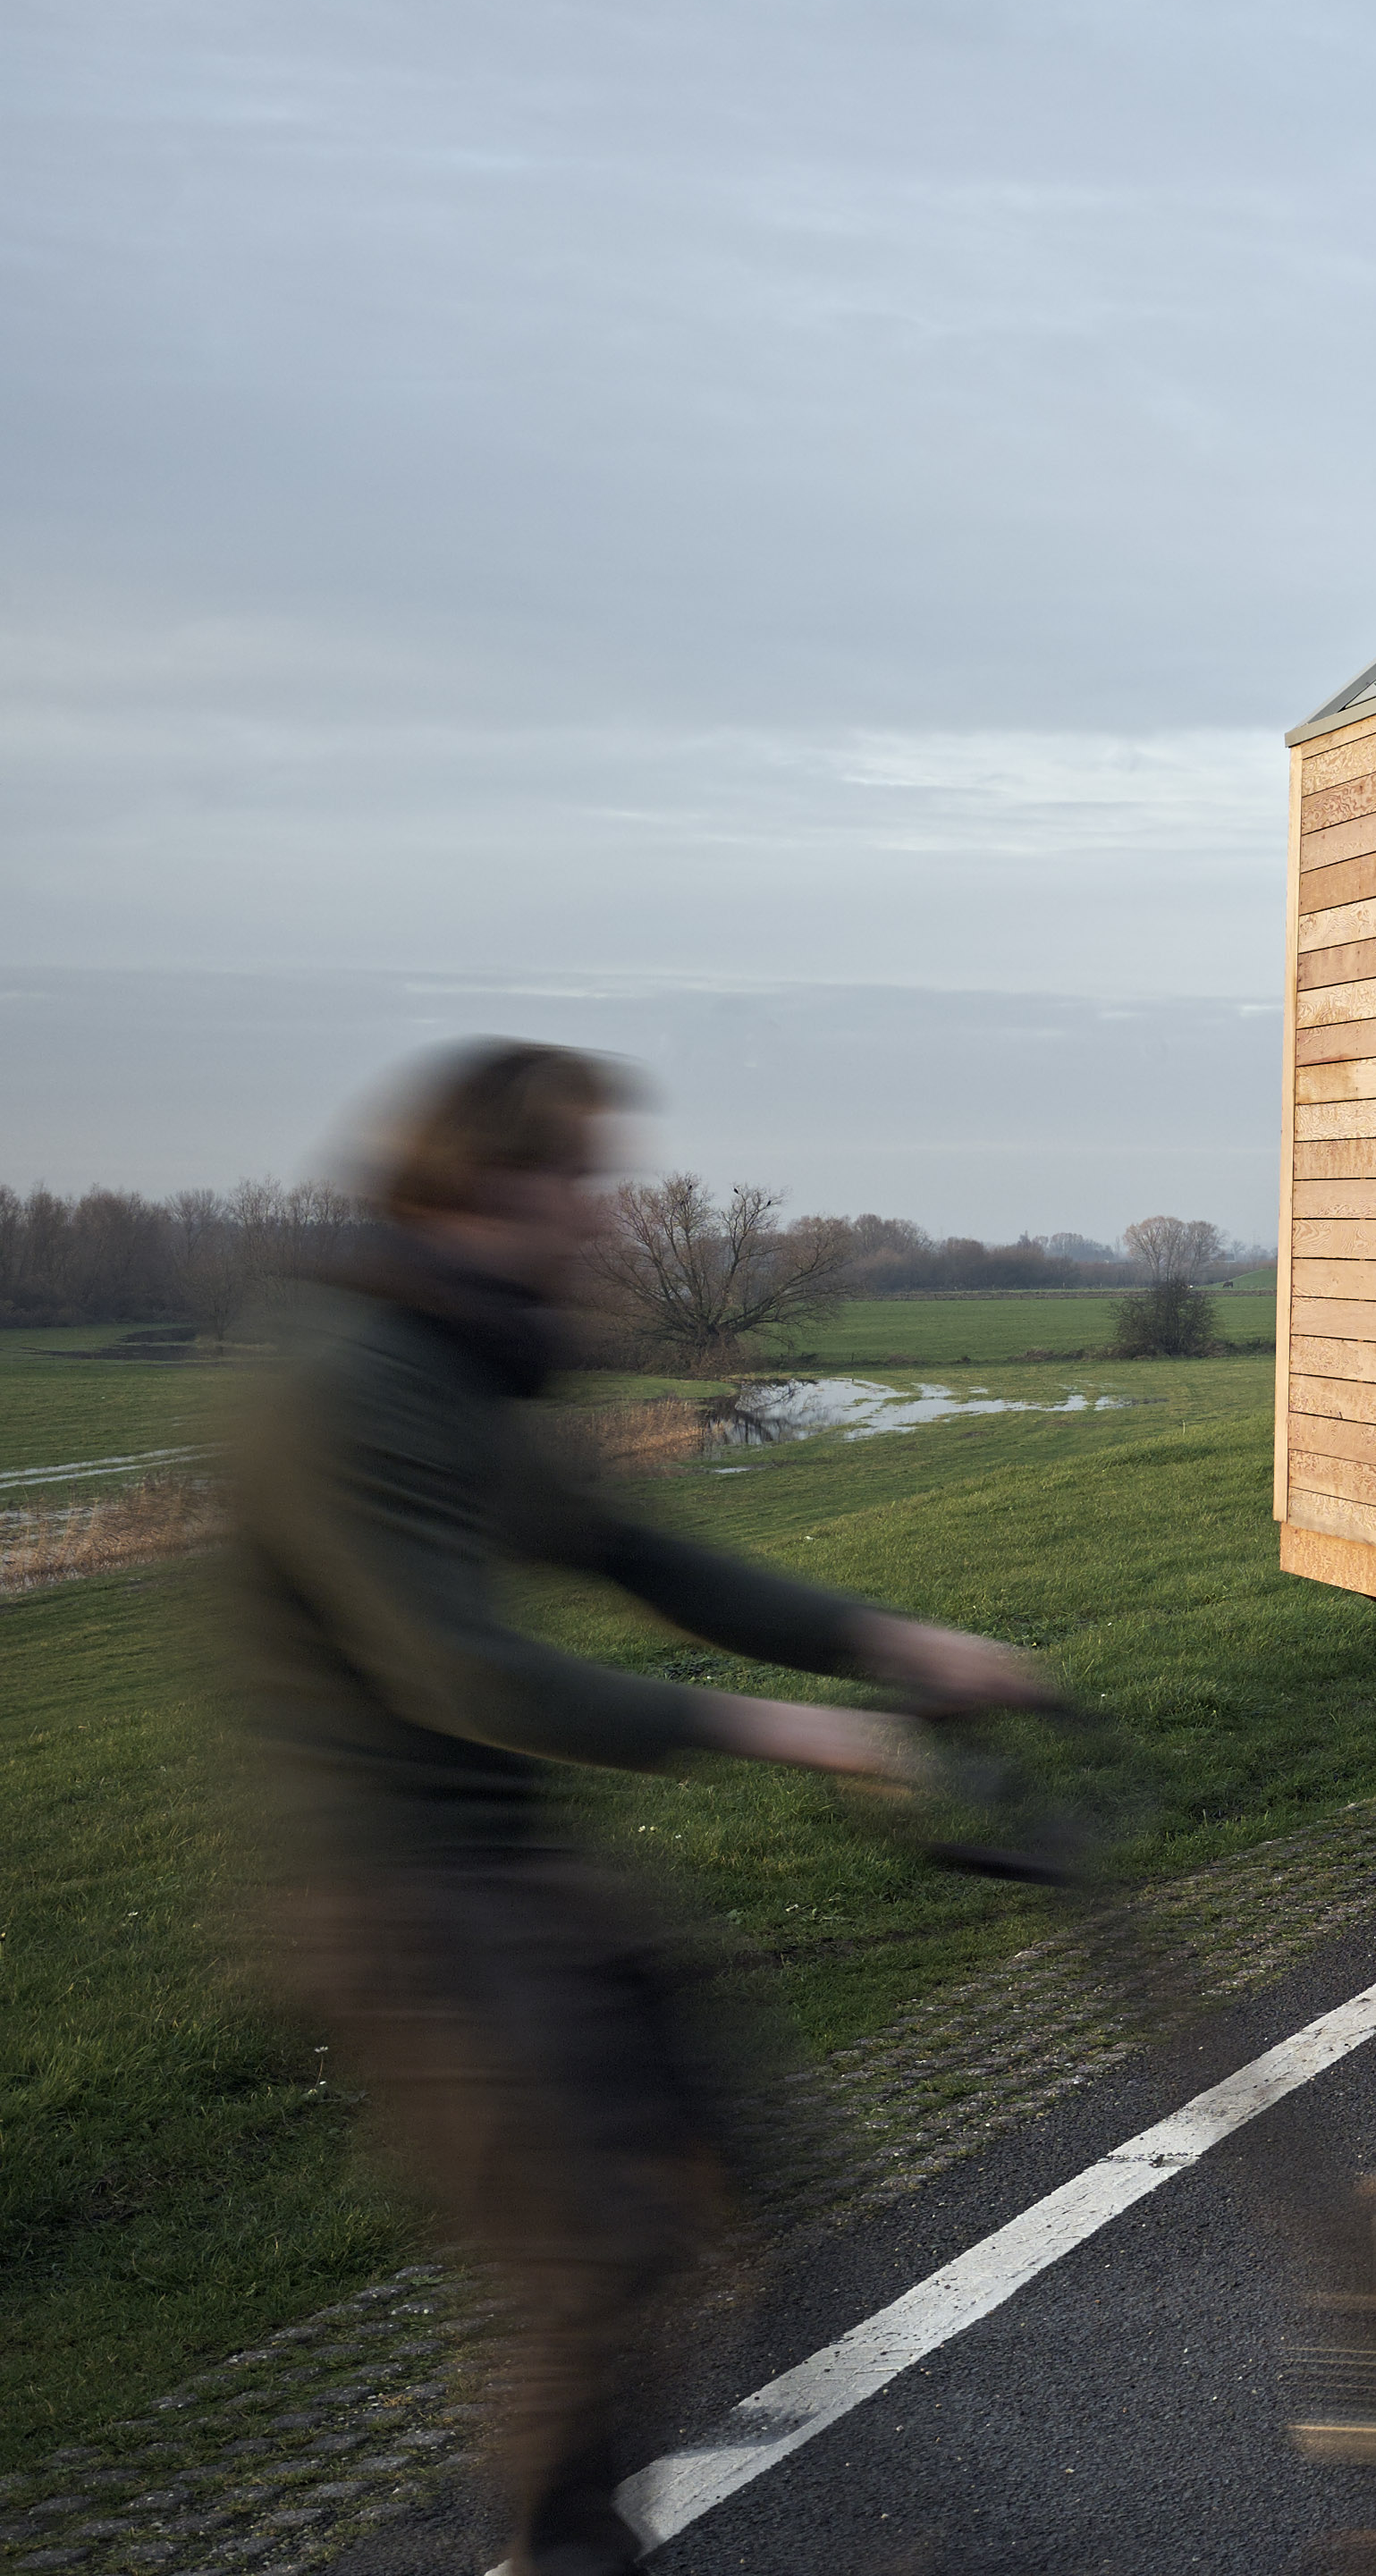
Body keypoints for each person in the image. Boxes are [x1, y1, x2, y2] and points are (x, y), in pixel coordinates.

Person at [224, 1043, 1051, 2576]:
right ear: (485, 1180)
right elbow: (461, 1673)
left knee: (733, 2152)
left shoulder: (455, 1366)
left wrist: (894, 1640)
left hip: (506, 1862)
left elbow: (640, 1555)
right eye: (581, 1177)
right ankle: (564, 2546)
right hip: (404, 1896)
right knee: (593, 2239)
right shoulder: (356, 1385)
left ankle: (860, 2496)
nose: (609, 1215)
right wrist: (795, 1730)